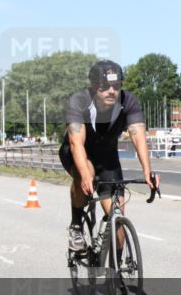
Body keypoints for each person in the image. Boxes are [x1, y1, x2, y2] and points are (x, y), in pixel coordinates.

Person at [59, 60, 159, 251]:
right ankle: (76, 226)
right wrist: (85, 175)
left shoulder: (128, 101)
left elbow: (138, 137)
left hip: (107, 158)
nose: (111, 91)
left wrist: (148, 171)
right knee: (86, 172)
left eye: (116, 86)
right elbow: (76, 143)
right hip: (77, 153)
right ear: (93, 86)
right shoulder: (79, 101)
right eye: (105, 87)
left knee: (117, 219)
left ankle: (115, 265)